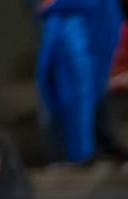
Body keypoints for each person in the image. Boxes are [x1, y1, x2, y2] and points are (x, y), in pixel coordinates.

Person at [35, 0, 122, 166]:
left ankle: (89, 148)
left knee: (86, 87)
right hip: (67, 29)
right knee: (68, 89)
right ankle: (72, 153)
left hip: (88, 28)